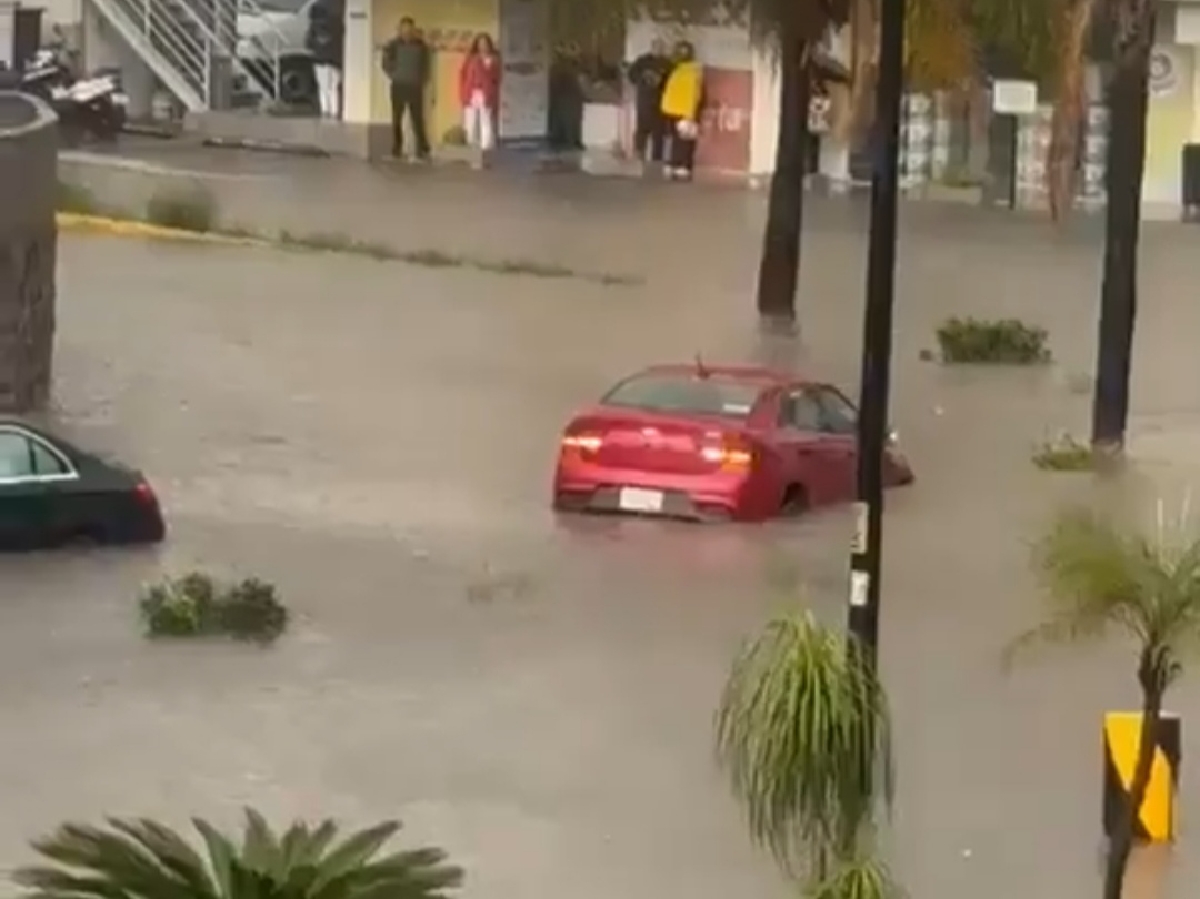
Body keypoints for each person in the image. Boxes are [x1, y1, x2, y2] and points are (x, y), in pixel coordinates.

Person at [381, 17, 431, 160]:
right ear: (399, 29)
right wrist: (394, 73)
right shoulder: (392, 45)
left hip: (415, 86)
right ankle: (396, 149)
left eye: (409, 28)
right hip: (398, 85)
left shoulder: (421, 46)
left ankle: (423, 149)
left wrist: (423, 79)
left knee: (418, 120)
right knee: (397, 119)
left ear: (413, 30)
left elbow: (426, 66)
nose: (407, 31)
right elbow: (385, 63)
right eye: (404, 28)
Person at [659, 40, 703, 180]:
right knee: (678, 139)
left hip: (682, 110)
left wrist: (691, 113)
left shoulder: (690, 71)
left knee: (682, 140)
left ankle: (681, 165)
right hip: (675, 110)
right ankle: (677, 165)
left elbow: (694, 93)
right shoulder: (678, 69)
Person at [627, 39, 671, 166]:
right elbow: (632, 75)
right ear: (652, 47)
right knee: (642, 127)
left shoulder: (667, 64)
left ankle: (657, 157)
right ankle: (639, 152)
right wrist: (643, 79)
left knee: (659, 131)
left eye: (661, 47)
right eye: (656, 47)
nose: (658, 50)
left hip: (660, 101)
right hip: (644, 99)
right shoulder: (642, 61)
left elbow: (672, 81)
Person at [459, 33, 502, 155]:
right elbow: (463, 74)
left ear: (489, 45)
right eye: (480, 43)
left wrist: (492, 90)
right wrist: (463, 91)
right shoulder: (471, 58)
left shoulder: (494, 59)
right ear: (477, 45)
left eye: (485, 43)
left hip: (486, 93)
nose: (483, 46)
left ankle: (485, 150)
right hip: (471, 92)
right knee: (470, 121)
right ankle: (470, 148)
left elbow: (497, 78)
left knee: (485, 121)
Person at [306, 0, 344, 118]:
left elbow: (308, 43)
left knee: (323, 88)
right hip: (335, 60)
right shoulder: (338, 23)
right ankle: (335, 111)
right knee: (334, 88)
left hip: (319, 59)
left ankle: (325, 111)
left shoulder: (314, 27)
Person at [547, 42, 585, 151]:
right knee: (570, 120)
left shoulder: (559, 67)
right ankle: (571, 140)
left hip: (567, 99)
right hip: (568, 99)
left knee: (570, 120)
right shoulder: (565, 67)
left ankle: (569, 140)